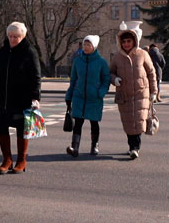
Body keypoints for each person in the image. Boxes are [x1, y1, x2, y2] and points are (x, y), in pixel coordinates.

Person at [0, 21, 41, 174]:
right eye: (10, 36)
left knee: (21, 129)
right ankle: (7, 160)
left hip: (22, 97)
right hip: (3, 97)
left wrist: (35, 97)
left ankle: (21, 160)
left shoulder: (29, 52)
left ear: (23, 36)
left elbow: (36, 77)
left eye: (16, 36)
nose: (13, 39)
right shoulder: (3, 51)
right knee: (2, 127)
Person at [110, 23, 157, 160]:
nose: (126, 44)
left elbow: (151, 73)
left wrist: (154, 92)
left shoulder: (142, 54)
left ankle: (134, 148)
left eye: (128, 41)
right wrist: (115, 79)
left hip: (141, 93)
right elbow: (110, 73)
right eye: (123, 41)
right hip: (124, 94)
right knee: (128, 122)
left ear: (134, 41)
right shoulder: (117, 57)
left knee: (139, 120)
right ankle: (132, 146)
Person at [64, 35, 110, 157]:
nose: (86, 47)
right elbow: (73, 80)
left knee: (94, 123)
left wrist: (100, 93)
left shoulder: (101, 62)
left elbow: (106, 80)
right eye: (84, 44)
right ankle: (75, 147)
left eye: (88, 45)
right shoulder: (77, 61)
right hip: (79, 97)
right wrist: (69, 96)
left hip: (94, 98)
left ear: (94, 46)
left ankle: (94, 145)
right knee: (78, 122)